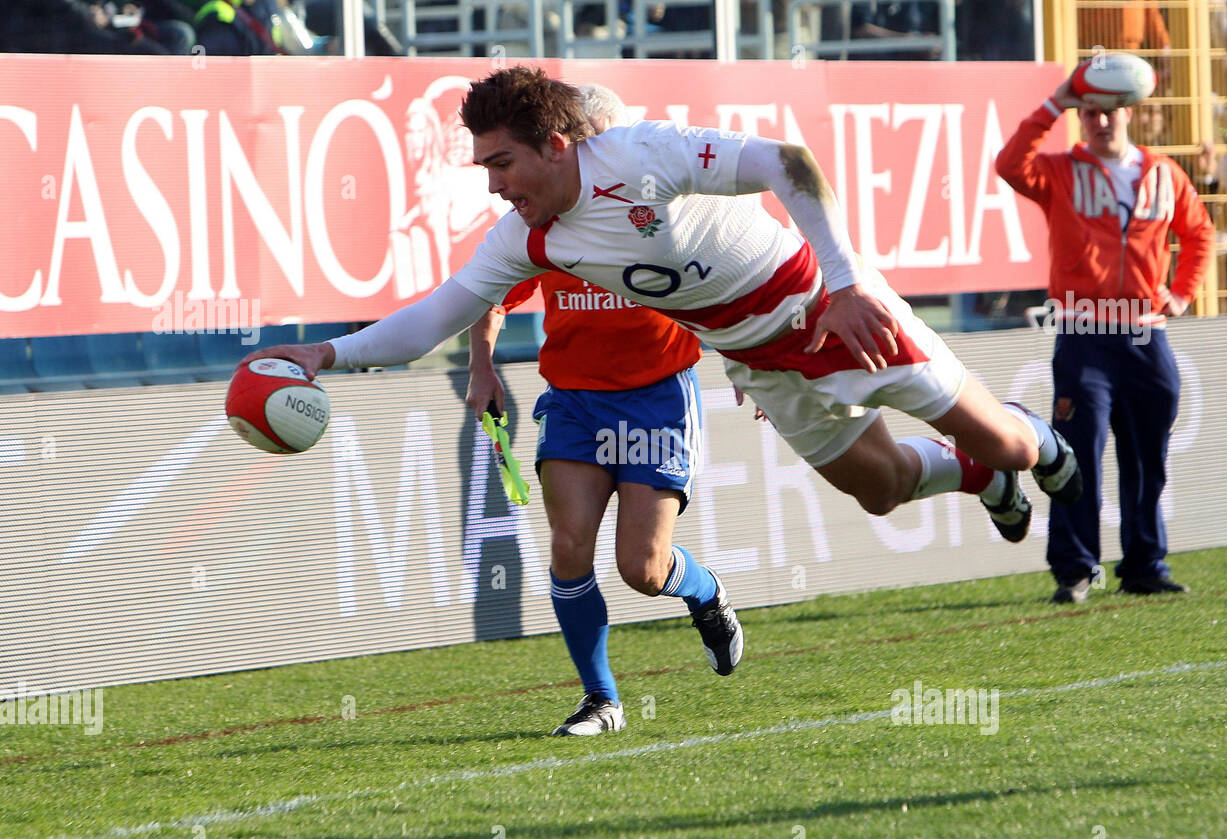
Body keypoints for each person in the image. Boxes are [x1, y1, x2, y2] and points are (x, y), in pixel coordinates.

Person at [243, 66, 1081, 623]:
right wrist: (326, 356)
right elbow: (436, 314)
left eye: (501, 165)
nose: (493, 188)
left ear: (556, 146)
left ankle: (1029, 442)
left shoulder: (644, 155)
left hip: (830, 311)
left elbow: (789, 162)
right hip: (759, 358)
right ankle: (979, 478)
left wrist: (848, 284)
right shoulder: (528, 236)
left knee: (1009, 443)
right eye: (485, 171)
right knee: (883, 489)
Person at [464, 84, 739, 737]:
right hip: (576, 400)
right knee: (568, 548)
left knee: (642, 570)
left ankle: (705, 593)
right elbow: (489, 293)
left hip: (658, 398)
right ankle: (601, 700)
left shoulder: (658, 209)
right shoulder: (542, 220)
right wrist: (481, 366)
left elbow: (726, 283)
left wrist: (754, 365)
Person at [996, 72, 1214, 603]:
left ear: (1128, 109)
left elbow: (1199, 232)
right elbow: (1009, 165)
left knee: (1146, 460)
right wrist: (1053, 103)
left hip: (1145, 337)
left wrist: (1182, 293)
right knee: (1078, 457)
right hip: (1084, 337)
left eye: (1108, 111)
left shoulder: (1163, 173)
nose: (1098, 121)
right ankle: (1075, 570)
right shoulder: (1060, 171)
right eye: (1088, 112)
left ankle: (1145, 565)